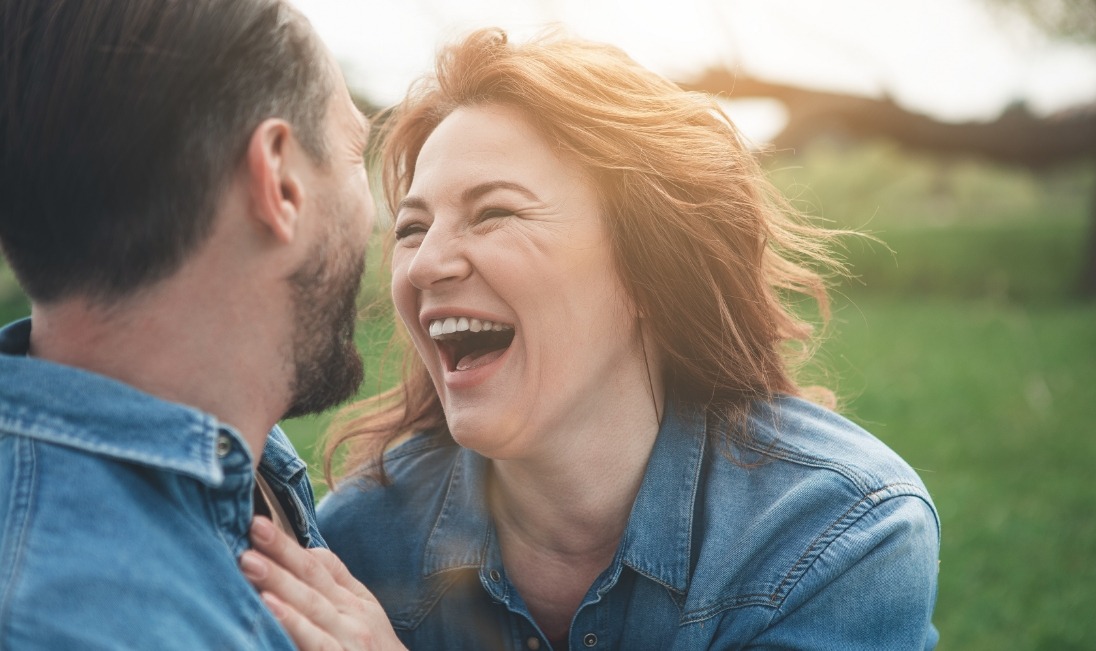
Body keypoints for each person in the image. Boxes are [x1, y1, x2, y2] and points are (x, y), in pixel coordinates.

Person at [251, 28, 941, 650]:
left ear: (648, 268)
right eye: (410, 228)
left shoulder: (835, 534)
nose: (427, 262)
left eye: (493, 212)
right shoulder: (359, 546)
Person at [0, 1, 401, 648]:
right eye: (357, 154)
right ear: (280, 181)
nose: (377, 220)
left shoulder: (243, 457)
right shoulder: (67, 624)